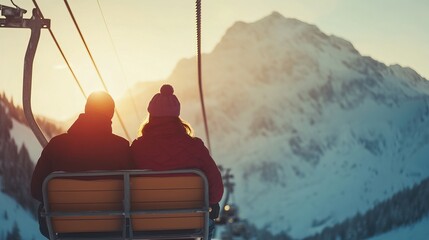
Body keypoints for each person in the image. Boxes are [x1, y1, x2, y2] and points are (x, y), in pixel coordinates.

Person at [31, 91, 131, 238]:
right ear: (110, 115)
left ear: (86, 110)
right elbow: (133, 191)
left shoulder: (57, 145)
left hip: (66, 227)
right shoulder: (121, 147)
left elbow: (36, 189)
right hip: (110, 226)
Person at [130, 84, 224, 239]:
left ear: (151, 115)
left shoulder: (137, 148)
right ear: (177, 117)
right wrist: (213, 202)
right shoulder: (195, 147)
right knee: (210, 225)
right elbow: (215, 184)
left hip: (146, 224)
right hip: (188, 223)